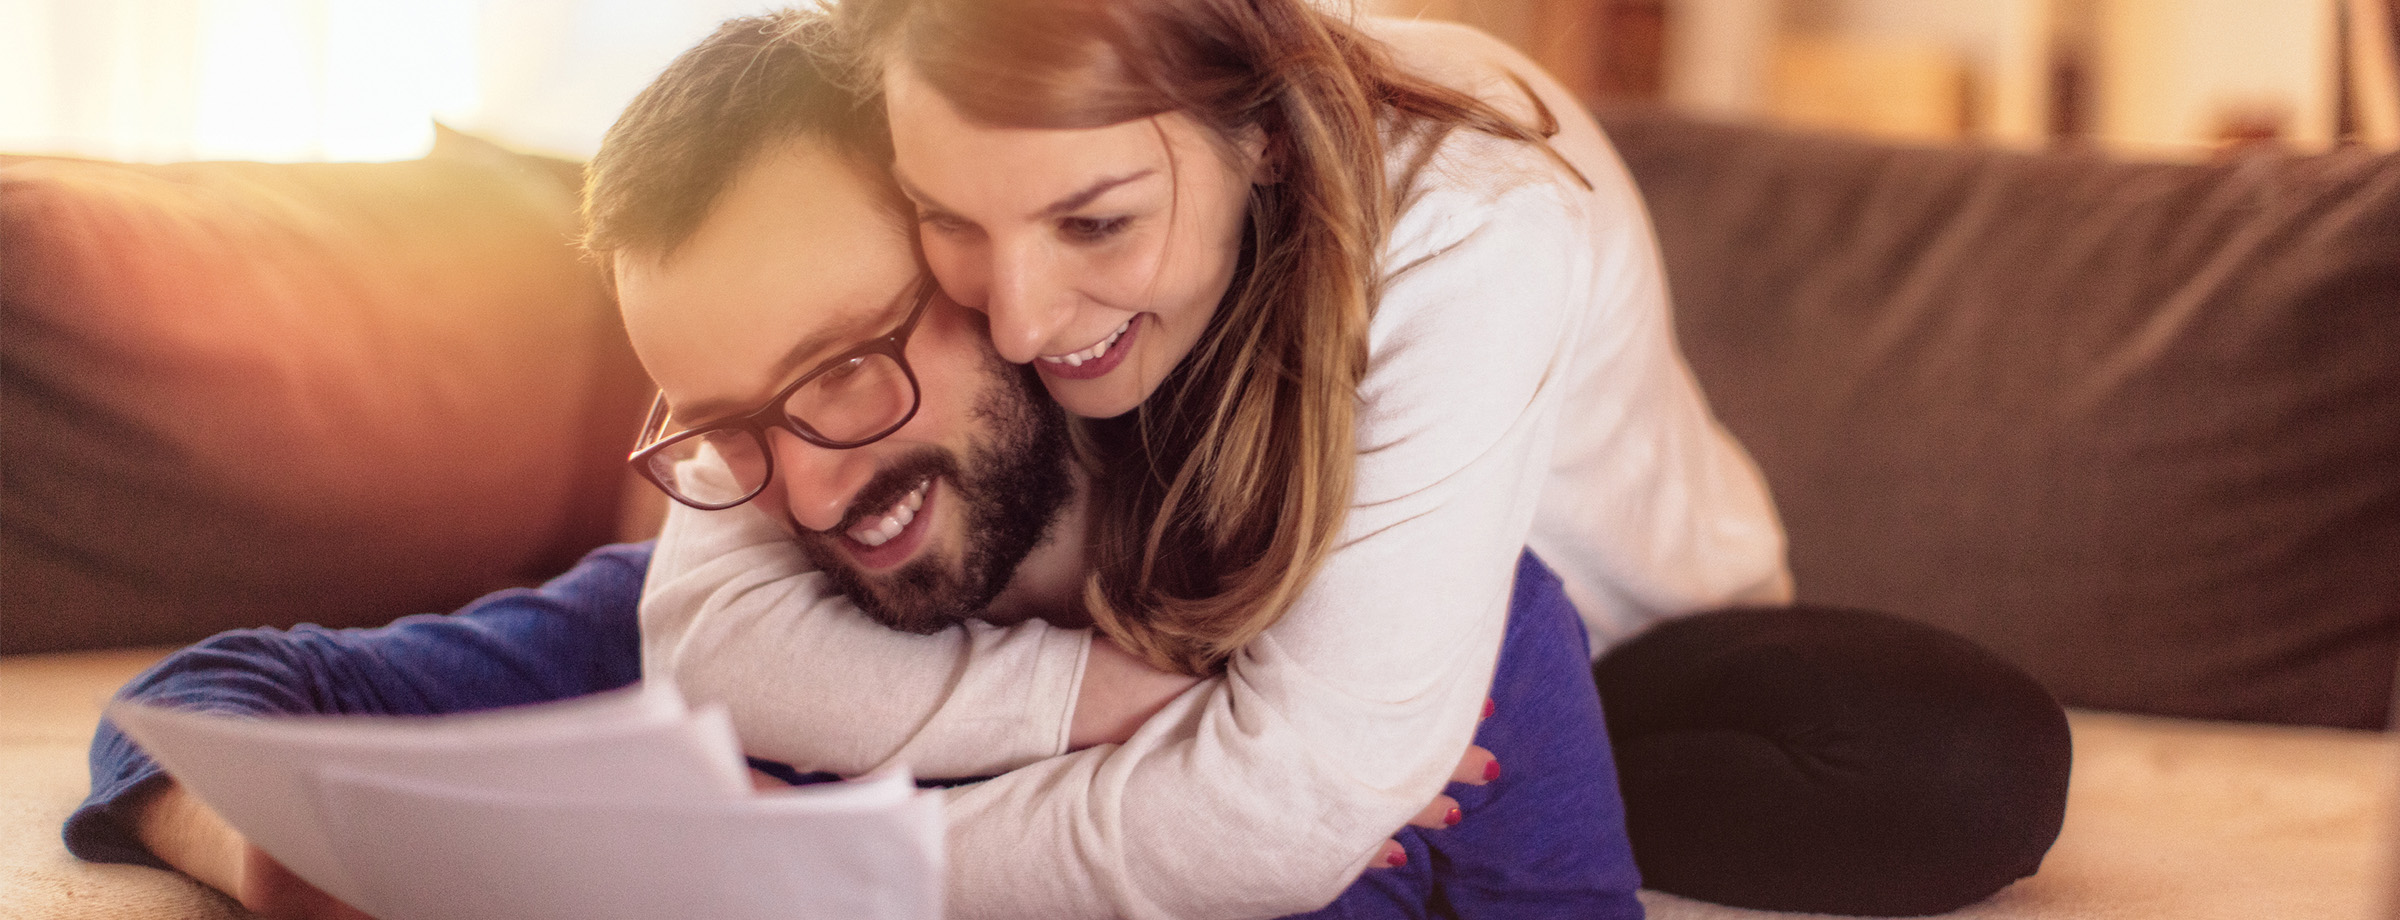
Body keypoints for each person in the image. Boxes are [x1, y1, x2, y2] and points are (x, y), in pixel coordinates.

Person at [67, 12, 1641, 919]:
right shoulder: (759, 614)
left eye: (843, 372)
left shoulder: (1465, 642)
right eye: (729, 429)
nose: (810, 490)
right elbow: (192, 713)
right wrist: (279, 869)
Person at [645, 2, 2070, 918]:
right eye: (946, 220)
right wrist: (1094, 698)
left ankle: (1433, 776)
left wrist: (848, 867)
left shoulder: (1475, 213)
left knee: (1964, 763)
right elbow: (710, 629)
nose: (1012, 320)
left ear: (1259, 140)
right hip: (1200, 642)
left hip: (1622, 644)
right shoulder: (918, 117)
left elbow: (1284, 811)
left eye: (1095, 225)